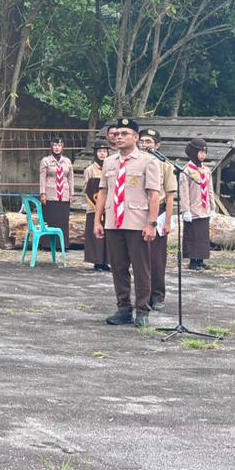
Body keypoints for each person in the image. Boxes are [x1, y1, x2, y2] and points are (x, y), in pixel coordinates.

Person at [93, 117, 162, 328]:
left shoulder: (148, 161)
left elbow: (153, 195)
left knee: (141, 269)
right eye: (117, 134)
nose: (120, 137)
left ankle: (142, 309)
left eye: (125, 134)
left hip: (137, 223)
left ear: (136, 137)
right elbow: (103, 192)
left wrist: (152, 224)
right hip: (114, 222)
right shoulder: (109, 162)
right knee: (118, 267)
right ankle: (123, 309)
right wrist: (98, 221)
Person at [138, 128, 177, 311]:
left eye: (149, 142)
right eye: (142, 141)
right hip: (137, 212)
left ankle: (157, 295)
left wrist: (167, 222)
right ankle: (142, 296)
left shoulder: (165, 166)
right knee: (139, 258)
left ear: (157, 146)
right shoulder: (135, 162)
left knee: (156, 258)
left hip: (158, 212)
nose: (145, 145)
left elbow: (169, 197)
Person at [182, 138, 215, 270]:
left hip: (204, 208)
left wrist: (212, 208)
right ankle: (193, 261)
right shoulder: (187, 170)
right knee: (193, 235)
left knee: (203, 236)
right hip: (193, 208)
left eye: (205, 152)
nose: (203, 155)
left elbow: (210, 190)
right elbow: (184, 192)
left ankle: (201, 259)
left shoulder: (206, 170)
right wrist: (186, 210)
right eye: (200, 152)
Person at [38, 136, 72, 252]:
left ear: (62, 147)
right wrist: (42, 193)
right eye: (55, 145)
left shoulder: (67, 161)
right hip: (50, 193)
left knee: (63, 220)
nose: (57, 148)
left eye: (59, 145)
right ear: (51, 147)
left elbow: (70, 178)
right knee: (50, 219)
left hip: (64, 194)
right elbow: (42, 178)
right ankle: (47, 244)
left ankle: (62, 244)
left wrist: (72, 194)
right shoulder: (46, 161)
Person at [83, 141, 110, 271]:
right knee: (95, 235)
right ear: (95, 153)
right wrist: (95, 204)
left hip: (108, 208)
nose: (102, 154)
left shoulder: (110, 168)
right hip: (93, 207)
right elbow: (86, 188)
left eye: (104, 151)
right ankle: (97, 261)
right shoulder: (90, 170)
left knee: (108, 235)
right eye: (99, 151)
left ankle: (107, 260)